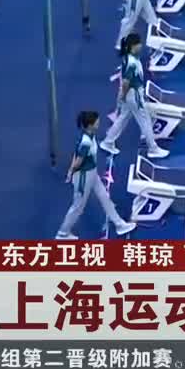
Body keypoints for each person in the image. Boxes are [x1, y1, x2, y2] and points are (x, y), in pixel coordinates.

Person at [55, 111, 138, 240]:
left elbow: (76, 155)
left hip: (92, 173)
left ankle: (119, 224)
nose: (99, 123)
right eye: (96, 122)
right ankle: (62, 233)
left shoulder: (89, 135)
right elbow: (78, 161)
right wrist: (71, 172)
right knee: (77, 207)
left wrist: (71, 171)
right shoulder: (86, 142)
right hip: (84, 177)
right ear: (90, 125)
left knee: (104, 197)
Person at [101, 34, 169, 159]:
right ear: (133, 46)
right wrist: (122, 96)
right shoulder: (131, 62)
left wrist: (123, 96)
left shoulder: (129, 58)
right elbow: (126, 82)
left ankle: (107, 142)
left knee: (123, 118)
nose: (141, 46)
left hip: (131, 94)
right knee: (145, 121)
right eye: (139, 44)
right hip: (134, 95)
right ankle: (153, 148)